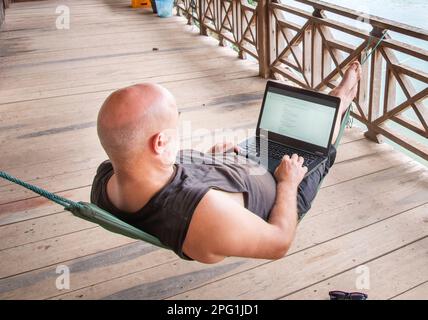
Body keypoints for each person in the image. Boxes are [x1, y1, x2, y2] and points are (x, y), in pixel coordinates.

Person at [91, 61, 362, 263]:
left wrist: (211, 160)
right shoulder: (199, 215)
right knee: (318, 148)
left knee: (275, 137)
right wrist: (288, 184)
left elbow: (171, 176)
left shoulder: (109, 176)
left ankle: (335, 101)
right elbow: (279, 244)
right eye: (177, 120)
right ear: (160, 142)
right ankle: (340, 101)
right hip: (280, 191)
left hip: (234, 162)